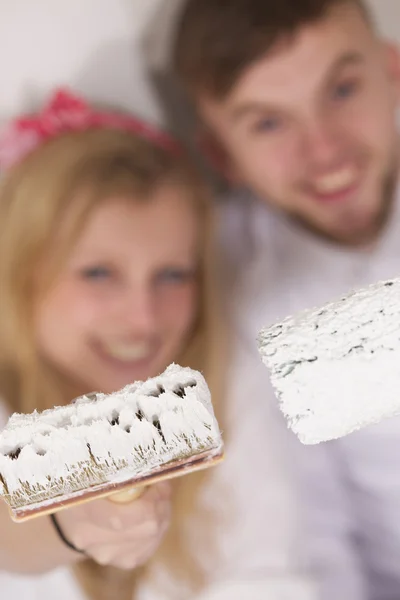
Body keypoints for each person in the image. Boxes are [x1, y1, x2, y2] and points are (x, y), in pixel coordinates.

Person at [171, 0, 400, 598]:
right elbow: (310, 528)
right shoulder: (234, 286)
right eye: (269, 124)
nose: (325, 150)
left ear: (394, 70)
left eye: (342, 89)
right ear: (223, 157)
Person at [0, 88, 227, 600]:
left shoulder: (218, 392)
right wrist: (71, 516)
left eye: (172, 274)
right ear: (21, 273)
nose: (143, 319)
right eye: (99, 273)